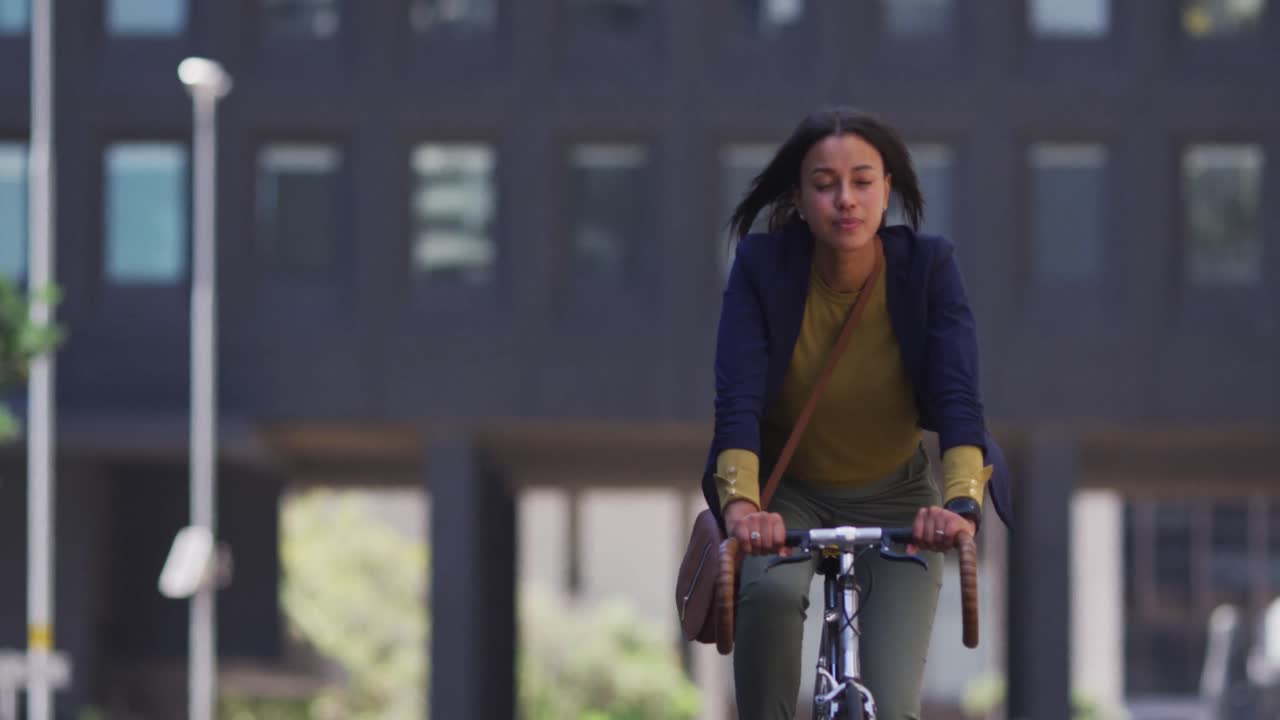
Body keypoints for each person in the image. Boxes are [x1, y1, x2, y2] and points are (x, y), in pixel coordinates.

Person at [701, 107, 1013, 719]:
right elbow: (736, 399)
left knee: (893, 704)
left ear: (888, 188)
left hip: (898, 498)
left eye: (863, 181)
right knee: (767, 600)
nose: (845, 200)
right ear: (798, 195)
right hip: (786, 498)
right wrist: (742, 509)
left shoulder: (930, 269)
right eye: (824, 184)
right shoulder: (762, 267)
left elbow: (959, 400)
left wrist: (958, 508)